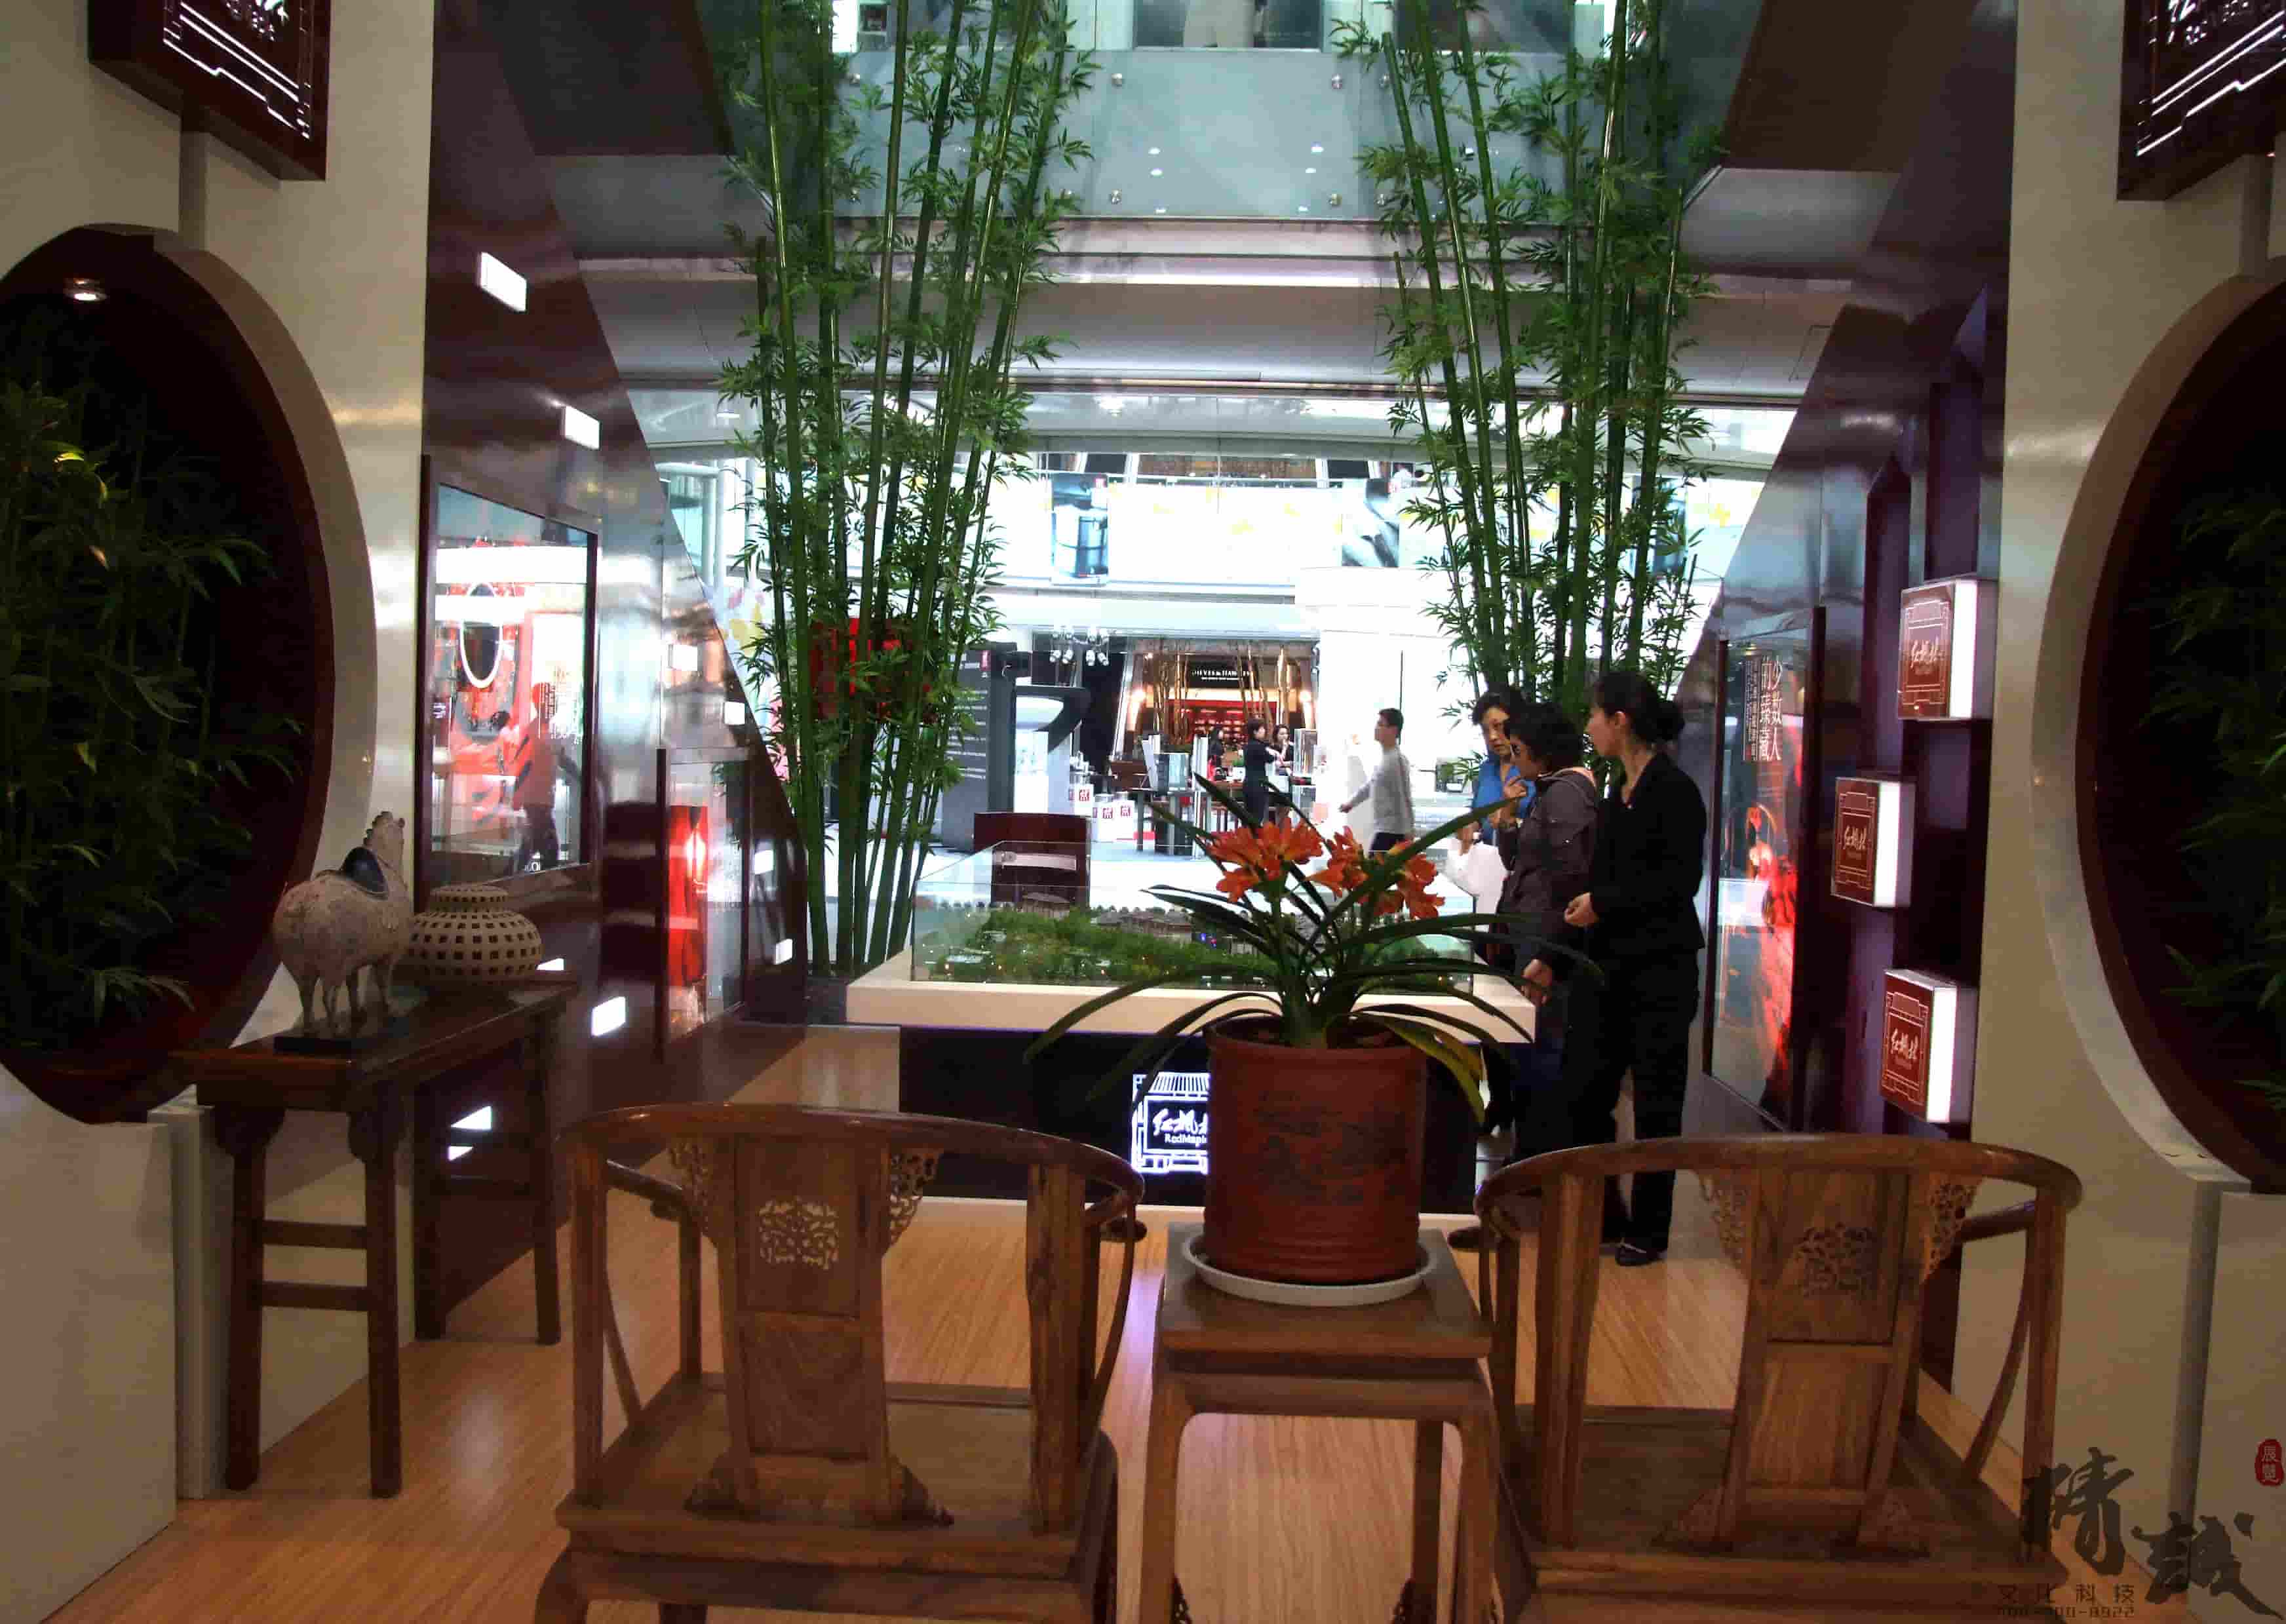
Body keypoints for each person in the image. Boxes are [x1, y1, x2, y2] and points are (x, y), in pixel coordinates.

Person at [1521, 670, 1705, 1267]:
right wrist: (1552, 957)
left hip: (1660, 973)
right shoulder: (1614, 793)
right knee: (1584, 1094)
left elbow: (1677, 882)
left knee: (1656, 1106)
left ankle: (1650, 1231)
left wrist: (1605, 903)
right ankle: (1603, 1216)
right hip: (1605, 971)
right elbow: (1595, 885)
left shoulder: (1674, 791)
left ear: (1620, 721)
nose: (1590, 726)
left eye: (1596, 715)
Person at [1448, 703, 1598, 1246]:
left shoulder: (1566, 795)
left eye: (1516, 748)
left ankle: (1535, 1173)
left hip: (1544, 939)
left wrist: (1553, 954)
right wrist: (1510, 822)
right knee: (1531, 1052)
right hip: (1534, 934)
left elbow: (1569, 882)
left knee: (1541, 1053)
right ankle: (1529, 1165)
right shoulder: (1552, 792)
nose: (1511, 756)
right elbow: (1524, 864)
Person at [1339, 706, 1415, 852]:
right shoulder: (1386, 759)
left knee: (1375, 865)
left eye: (1381, 724)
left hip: (1393, 833)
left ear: (1393, 730)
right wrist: (1351, 803)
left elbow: (1404, 798)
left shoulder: (1396, 760)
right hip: (1385, 831)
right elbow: (1371, 785)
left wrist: (1408, 832)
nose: (1376, 728)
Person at [1241, 718, 1275, 827]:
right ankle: (1253, 836)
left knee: (1248, 814)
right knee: (1257, 815)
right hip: (1258, 785)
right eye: (1262, 729)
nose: (1264, 731)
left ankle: (1246, 834)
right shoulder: (1258, 746)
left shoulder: (1247, 746)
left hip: (1248, 783)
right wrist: (1272, 752)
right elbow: (1270, 759)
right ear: (1255, 732)